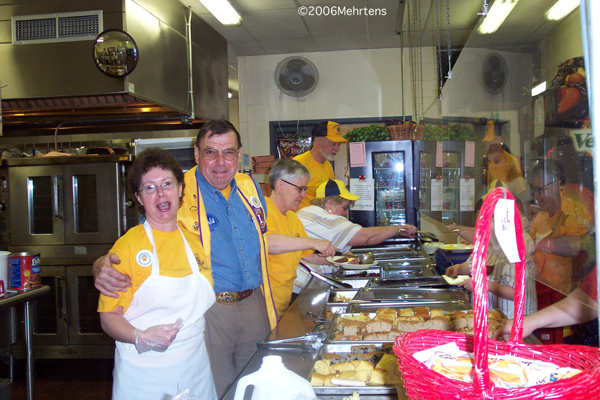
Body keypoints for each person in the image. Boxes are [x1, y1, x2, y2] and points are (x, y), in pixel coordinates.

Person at [93, 120, 335, 398]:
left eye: (229, 152)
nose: (221, 162)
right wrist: (101, 264)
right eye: (210, 152)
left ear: (239, 153)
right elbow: (148, 238)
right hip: (212, 311)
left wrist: (308, 248)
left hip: (256, 301)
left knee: (256, 386)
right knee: (219, 389)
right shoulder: (179, 190)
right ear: (197, 154)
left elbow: (262, 239)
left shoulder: (249, 187)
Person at [97, 148, 217, 400]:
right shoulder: (127, 247)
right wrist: (139, 336)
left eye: (167, 184)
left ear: (181, 189)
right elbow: (109, 317)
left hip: (194, 367)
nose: (160, 193)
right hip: (144, 373)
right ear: (139, 198)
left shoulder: (194, 242)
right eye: (149, 188)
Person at [293, 179, 418, 292]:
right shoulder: (326, 219)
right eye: (344, 207)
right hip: (301, 284)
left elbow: (318, 250)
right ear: (329, 204)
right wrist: (398, 229)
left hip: (297, 282)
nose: (346, 213)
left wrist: (343, 257)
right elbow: (366, 237)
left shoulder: (305, 212)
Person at [445, 195, 537, 319]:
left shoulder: (521, 243)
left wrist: (481, 284)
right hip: (492, 314)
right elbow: (476, 263)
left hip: (513, 317)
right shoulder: (491, 238)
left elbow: (516, 293)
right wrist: (460, 268)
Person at [265, 159, 334, 318]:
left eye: (305, 189)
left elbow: (309, 256)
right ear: (280, 185)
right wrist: (313, 241)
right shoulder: (263, 210)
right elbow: (268, 242)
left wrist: (341, 260)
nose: (303, 195)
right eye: (300, 189)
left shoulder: (292, 218)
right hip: (264, 306)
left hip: (282, 304)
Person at [293, 121, 347, 210]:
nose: (337, 149)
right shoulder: (298, 164)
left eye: (338, 145)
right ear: (319, 143)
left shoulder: (328, 166)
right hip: (302, 221)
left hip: (320, 220)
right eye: (333, 144)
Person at [485, 135, 532, 216]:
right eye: (487, 144)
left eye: (490, 144)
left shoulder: (511, 163)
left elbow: (522, 195)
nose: (487, 148)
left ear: (498, 144)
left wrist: (525, 217)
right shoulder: (492, 164)